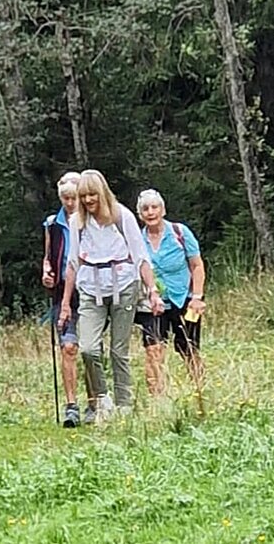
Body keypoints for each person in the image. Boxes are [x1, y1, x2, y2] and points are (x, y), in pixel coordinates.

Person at [58, 170, 163, 422]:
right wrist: (65, 303)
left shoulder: (121, 216)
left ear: (102, 193)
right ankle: (102, 399)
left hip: (124, 285)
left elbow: (140, 257)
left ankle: (124, 404)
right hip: (90, 288)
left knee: (119, 350)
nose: (87, 200)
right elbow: (72, 263)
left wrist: (153, 291)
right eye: (83, 196)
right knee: (88, 348)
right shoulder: (77, 223)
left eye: (92, 194)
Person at [134, 189, 206, 396]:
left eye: (154, 207)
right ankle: (158, 399)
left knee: (188, 347)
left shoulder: (179, 232)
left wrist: (197, 297)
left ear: (162, 210)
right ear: (140, 214)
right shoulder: (137, 240)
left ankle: (200, 389)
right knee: (153, 349)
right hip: (153, 302)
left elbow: (197, 265)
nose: (150, 212)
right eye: (145, 209)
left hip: (184, 298)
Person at [42, 171, 82, 428]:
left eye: (73, 197)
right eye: (65, 198)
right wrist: (46, 272)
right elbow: (48, 256)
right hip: (60, 293)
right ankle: (71, 406)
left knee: (89, 349)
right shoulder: (52, 224)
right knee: (67, 347)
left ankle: (96, 401)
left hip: (88, 290)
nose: (69, 203)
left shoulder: (91, 221)